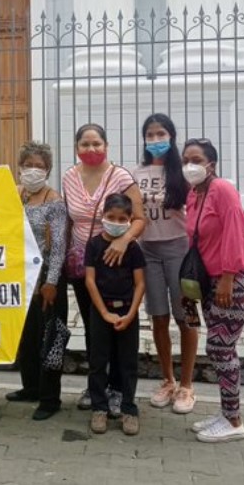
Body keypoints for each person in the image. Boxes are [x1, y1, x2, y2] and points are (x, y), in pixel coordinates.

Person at [61, 123, 146, 417]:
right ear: (76, 148)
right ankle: (97, 387)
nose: (91, 149)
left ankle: (118, 389)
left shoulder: (121, 177)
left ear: (106, 146)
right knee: (93, 325)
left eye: (97, 143)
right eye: (85, 144)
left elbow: (139, 218)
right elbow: (70, 221)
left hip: (118, 263)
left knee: (118, 325)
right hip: (84, 264)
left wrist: (123, 241)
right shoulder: (69, 177)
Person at [181, 138, 244, 443]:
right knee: (220, 348)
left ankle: (234, 420)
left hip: (232, 282)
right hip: (209, 281)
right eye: (186, 159)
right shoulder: (194, 194)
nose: (190, 165)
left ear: (210, 164)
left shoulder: (223, 190)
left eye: (197, 160)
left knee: (220, 348)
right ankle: (227, 412)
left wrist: (228, 276)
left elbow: (235, 232)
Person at [133, 114, 198, 414]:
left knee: (185, 317)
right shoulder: (137, 173)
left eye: (161, 134)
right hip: (148, 251)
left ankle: (187, 385)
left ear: (171, 137)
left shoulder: (183, 174)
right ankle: (167, 379)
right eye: (150, 134)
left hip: (178, 250)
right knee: (158, 317)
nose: (156, 139)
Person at [6, 141, 68, 421]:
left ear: (48, 170)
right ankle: (30, 387)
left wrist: (51, 282)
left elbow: (58, 248)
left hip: (46, 278)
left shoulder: (54, 202)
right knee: (27, 336)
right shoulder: (15, 195)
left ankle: (49, 397)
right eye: (28, 165)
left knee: (50, 337)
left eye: (39, 166)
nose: (33, 171)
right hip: (21, 277)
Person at [84, 193, 146, 436]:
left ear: (130, 219)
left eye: (122, 218)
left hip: (127, 312)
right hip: (101, 311)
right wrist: (104, 312)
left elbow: (140, 284)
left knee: (128, 362)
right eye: (111, 217)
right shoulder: (94, 245)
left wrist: (130, 314)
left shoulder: (133, 248)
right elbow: (90, 281)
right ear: (103, 216)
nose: (116, 222)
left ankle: (129, 409)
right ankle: (99, 408)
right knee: (98, 361)